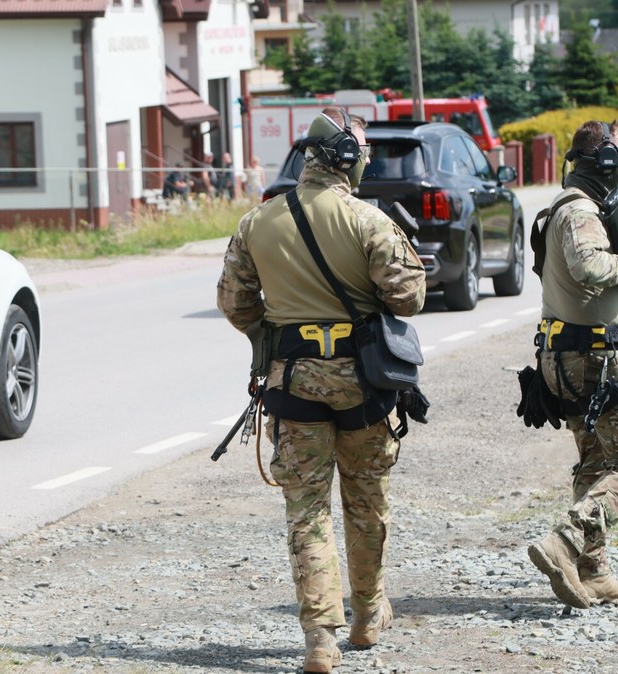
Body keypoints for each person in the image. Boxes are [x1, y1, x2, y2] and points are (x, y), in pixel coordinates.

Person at [216, 107, 426, 673]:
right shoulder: (369, 221)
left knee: (306, 512)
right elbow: (408, 298)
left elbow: (235, 304)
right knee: (366, 503)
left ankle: (319, 639)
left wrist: (275, 333)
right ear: (349, 160)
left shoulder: (257, 223)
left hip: (293, 385)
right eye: (363, 151)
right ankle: (366, 614)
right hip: (364, 385)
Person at [524, 120, 618, 609]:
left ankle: (592, 571)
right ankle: (566, 541)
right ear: (602, 163)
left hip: (565, 355)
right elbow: (589, 267)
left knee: (597, 460)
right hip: (592, 359)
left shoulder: (564, 206)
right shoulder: (580, 211)